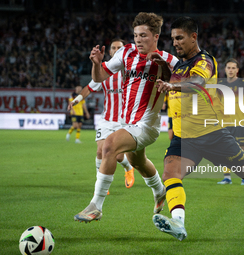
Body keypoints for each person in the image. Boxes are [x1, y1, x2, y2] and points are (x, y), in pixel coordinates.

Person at [152, 17, 244, 241]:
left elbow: (196, 83)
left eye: (179, 38)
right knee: (170, 173)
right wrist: (162, 68)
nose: (175, 43)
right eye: (172, 39)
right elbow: (175, 80)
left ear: (193, 37)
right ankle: (178, 222)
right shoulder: (179, 65)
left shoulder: (205, 61)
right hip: (184, 137)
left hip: (211, 134)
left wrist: (172, 85)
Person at [71, 12, 178, 223]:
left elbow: (183, 83)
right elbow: (100, 77)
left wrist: (164, 69)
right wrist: (96, 63)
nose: (138, 39)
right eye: (136, 35)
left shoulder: (168, 59)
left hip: (147, 125)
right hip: (126, 122)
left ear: (156, 36)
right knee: (137, 161)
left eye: (144, 35)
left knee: (109, 146)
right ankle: (159, 190)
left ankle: (96, 206)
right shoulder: (126, 52)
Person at [68, 38, 135, 190]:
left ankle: (128, 168)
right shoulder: (104, 72)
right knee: (100, 151)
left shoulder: (131, 71)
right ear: (110, 52)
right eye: (114, 47)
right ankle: (101, 185)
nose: (117, 50)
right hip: (106, 119)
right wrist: (77, 100)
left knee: (117, 155)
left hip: (123, 120)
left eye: (120, 47)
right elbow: (89, 88)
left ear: (125, 51)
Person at [217, 58, 244, 186]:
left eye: (233, 68)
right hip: (224, 123)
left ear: (237, 70)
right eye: (228, 67)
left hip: (239, 122)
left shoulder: (243, 83)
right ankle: (227, 177)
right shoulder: (221, 84)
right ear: (225, 69)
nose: (230, 70)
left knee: (241, 150)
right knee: (224, 150)